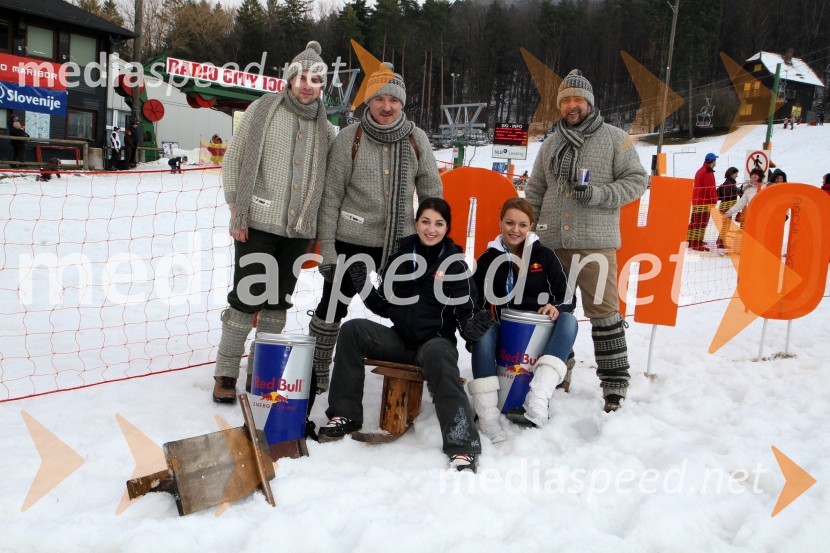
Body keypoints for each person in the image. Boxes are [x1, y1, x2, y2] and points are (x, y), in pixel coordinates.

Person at [319, 198, 488, 472]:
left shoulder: (456, 266)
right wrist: (364, 288)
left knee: (439, 356)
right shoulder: (401, 256)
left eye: (438, 223)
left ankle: (462, 445)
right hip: (400, 340)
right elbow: (385, 306)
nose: (431, 229)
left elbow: (465, 312)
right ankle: (344, 414)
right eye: (425, 221)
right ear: (416, 222)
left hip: (435, 343)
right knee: (352, 330)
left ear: (447, 228)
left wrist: (471, 329)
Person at [213, 41, 335, 410]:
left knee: (278, 301)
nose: (307, 84)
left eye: (316, 79)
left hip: (299, 232)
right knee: (247, 294)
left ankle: (261, 369)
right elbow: (234, 158)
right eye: (301, 76)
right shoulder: (262, 110)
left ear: (322, 86)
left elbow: (331, 179)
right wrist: (237, 208)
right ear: (289, 78)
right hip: (258, 223)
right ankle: (226, 371)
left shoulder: (326, 129)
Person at [311, 62, 442, 393]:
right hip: (352, 240)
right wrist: (328, 250)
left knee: (410, 306)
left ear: (402, 103)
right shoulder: (349, 138)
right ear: (368, 101)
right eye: (379, 99)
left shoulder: (416, 139)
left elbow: (432, 196)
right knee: (332, 305)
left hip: (401, 242)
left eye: (394, 100)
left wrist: (433, 246)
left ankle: (410, 365)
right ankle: (317, 368)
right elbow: (330, 199)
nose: (387, 107)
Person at [525, 69, 648, 412]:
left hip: (596, 241)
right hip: (551, 244)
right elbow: (536, 189)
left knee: (605, 315)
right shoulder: (550, 143)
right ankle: (558, 371)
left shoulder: (613, 138)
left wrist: (597, 193)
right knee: (551, 313)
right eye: (565, 100)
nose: (571, 105)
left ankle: (614, 386)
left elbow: (638, 181)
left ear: (590, 103)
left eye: (578, 99)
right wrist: (526, 230)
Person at [469, 198, 577, 441]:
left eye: (522, 224)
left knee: (569, 320)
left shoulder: (545, 255)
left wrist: (555, 306)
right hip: (503, 331)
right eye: (509, 223)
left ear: (531, 226)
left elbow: (567, 296)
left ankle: (538, 396)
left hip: (538, 330)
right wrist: (478, 320)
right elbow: (473, 298)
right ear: (500, 223)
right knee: (483, 329)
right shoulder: (488, 258)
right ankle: (486, 413)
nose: (515, 230)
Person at [687, 152, 719, 252]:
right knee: (701, 223)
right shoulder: (707, 172)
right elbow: (710, 189)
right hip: (704, 202)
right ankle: (697, 243)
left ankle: (692, 241)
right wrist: (714, 200)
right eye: (715, 160)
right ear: (713, 161)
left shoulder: (701, 170)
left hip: (697, 200)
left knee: (695, 222)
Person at [716, 167, 741, 249]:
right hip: (726, 206)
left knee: (726, 224)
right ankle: (721, 242)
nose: (737, 176)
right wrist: (736, 191)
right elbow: (727, 194)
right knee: (726, 224)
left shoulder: (730, 182)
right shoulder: (729, 183)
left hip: (726, 206)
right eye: (736, 174)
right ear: (731, 174)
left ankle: (720, 239)